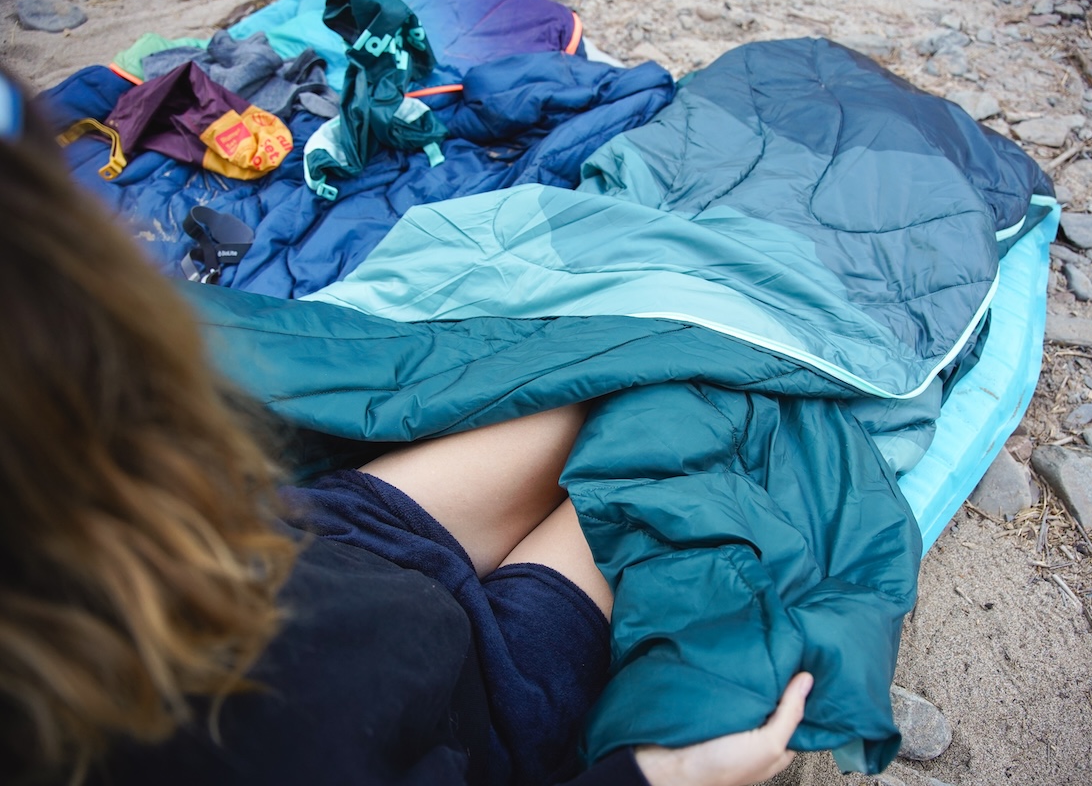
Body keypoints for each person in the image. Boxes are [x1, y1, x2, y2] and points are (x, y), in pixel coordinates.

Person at [0, 68, 813, 786]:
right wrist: (661, 780)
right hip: (483, 698)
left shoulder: (92, 498)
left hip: (320, 555)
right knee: (681, 424)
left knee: (609, 362)